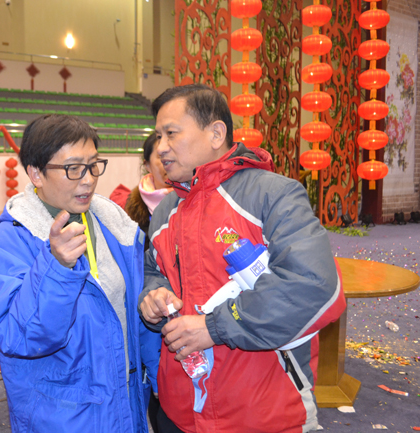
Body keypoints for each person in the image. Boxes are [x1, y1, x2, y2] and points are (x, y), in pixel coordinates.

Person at [139, 84, 346, 433]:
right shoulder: (165, 212)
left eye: (171, 133)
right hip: (180, 412)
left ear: (216, 133)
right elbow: (153, 270)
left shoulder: (273, 195)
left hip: (263, 412)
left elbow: (314, 286)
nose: (160, 147)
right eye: (158, 136)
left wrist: (213, 327)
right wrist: (152, 297)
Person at [0, 114, 161, 433]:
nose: (88, 179)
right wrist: (57, 267)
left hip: (125, 405)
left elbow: (136, 316)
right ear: (36, 173)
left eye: (93, 165)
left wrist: (160, 379)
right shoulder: (8, 243)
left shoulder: (115, 227)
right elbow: (20, 338)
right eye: (73, 168)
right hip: (63, 418)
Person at [110, 132, 173, 431]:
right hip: (146, 317)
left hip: (184, 317)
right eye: (159, 156)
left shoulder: (188, 201)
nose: (166, 160)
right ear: (147, 163)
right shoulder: (129, 211)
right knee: (157, 407)